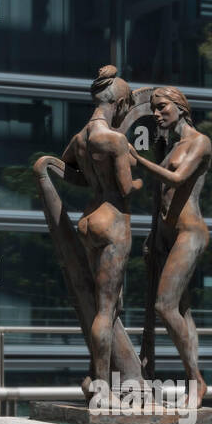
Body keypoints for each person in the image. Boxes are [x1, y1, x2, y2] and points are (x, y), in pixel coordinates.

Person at [56, 65, 142, 404]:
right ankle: (103, 386)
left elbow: (67, 169)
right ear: (120, 103)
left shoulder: (80, 138)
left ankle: (96, 374)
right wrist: (138, 175)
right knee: (106, 309)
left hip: (88, 220)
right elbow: (125, 188)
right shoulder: (115, 139)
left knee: (99, 305)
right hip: (112, 220)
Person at [126, 86, 211, 408]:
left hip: (189, 232)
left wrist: (138, 160)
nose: (157, 114)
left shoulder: (199, 142)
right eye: (154, 108)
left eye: (162, 108)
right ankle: (194, 382)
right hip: (167, 236)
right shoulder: (172, 146)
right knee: (181, 310)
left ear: (180, 107)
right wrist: (154, 236)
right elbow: (161, 200)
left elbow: (176, 181)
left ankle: (196, 379)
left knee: (164, 306)